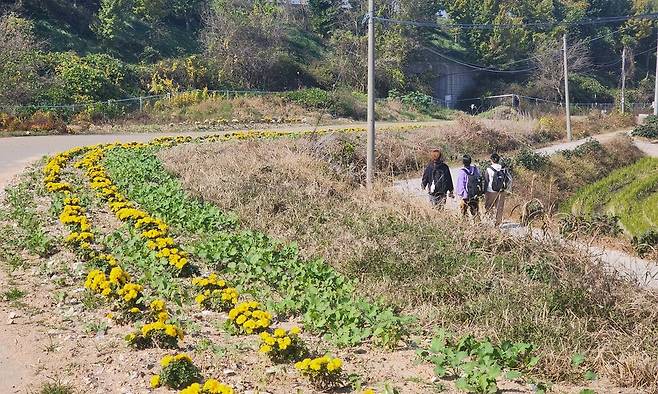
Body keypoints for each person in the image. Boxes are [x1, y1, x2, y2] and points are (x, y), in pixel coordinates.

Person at [484, 153, 512, 226]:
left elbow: (486, 181)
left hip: (491, 191)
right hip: (502, 191)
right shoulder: (503, 169)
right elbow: (509, 179)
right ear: (499, 160)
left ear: (491, 160)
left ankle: (490, 221)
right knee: (499, 207)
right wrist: (508, 189)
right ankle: (498, 223)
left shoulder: (488, 169)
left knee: (489, 206)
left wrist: (484, 192)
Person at [456, 154, 482, 219]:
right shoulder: (475, 169)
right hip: (474, 195)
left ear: (463, 162)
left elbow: (461, 184)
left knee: (464, 212)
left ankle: (466, 225)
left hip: (465, 196)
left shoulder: (462, 172)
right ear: (470, 161)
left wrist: (461, 194)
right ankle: (478, 225)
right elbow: (479, 179)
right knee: (475, 211)